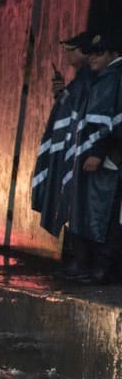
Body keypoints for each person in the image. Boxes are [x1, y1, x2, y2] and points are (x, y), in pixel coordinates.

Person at [59, 33, 122, 284]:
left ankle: (101, 267)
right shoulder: (105, 77)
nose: (93, 57)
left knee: (107, 212)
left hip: (112, 157)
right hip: (108, 155)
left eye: (100, 53)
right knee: (102, 211)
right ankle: (94, 265)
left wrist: (98, 151)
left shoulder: (114, 78)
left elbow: (111, 118)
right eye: (92, 52)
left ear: (113, 55)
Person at [32, 31, 94, 253]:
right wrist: (61, 95)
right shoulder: (80, 80)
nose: (67, 56)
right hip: (73, 149)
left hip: (80, 151)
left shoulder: (88, 79)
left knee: (75, 199)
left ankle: (78, 258)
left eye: (71, 51)